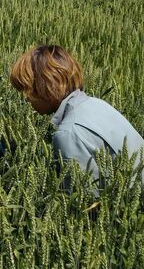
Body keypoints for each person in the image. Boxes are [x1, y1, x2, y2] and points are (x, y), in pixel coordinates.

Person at [10, 44, 144, 186]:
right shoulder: (97, 104)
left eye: (28, 89)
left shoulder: (68, 133)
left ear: (46, 87)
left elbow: (88, 201)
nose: (25, 98)